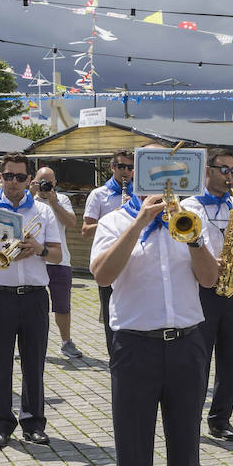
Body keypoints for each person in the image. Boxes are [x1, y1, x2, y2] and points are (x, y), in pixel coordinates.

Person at [91, 178, 220, 466]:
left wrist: (194, 238)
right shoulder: (114, 221)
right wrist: (140, 222)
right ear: (135, 180)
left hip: (186, 343)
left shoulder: (192, 217)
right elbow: (101, 275)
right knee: (133, 445)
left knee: (185, 443)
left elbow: (211, 279)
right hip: (135, 346)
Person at [0, 153, 62, 449]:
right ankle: (1, 424)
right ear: (0, 178)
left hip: (33, 297)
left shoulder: (43, 213)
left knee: (34, 364)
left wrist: (39, 249)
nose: (15, 182)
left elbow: (58, 255)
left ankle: (33, 424)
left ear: (29, 180)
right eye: (9, 176)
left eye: (21, 177)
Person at [185, 148, 233, 442]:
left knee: (230, 359)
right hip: (200, 290)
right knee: (197, 360)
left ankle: (220, 419)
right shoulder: (189, 206)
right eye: (224, 170)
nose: (230, 176)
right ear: (207, 170)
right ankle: (189, 417)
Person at [82, 149, 137, 357]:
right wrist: (111, 219)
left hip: (134, 261)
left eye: (130, 168)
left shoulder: (140, 194)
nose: (126, 171)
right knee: (110, 315)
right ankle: (115, 357)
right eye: (121, 166)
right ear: (112, 167)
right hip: (110, 261)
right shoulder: (99, 195)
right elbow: (86, 231)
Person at [33, 166, 83, 360]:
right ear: (34, 182)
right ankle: (31, 342)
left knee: (63, 305)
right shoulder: (28, 200)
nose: (45, 186)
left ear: (55, 183)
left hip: (60, 260)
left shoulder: (62, 199)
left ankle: (66, 342)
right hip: (34, 260)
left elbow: (71, 223)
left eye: (49, 182)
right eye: (41, 181)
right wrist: (30, 194)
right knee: (34, 306)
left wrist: (54, 203)